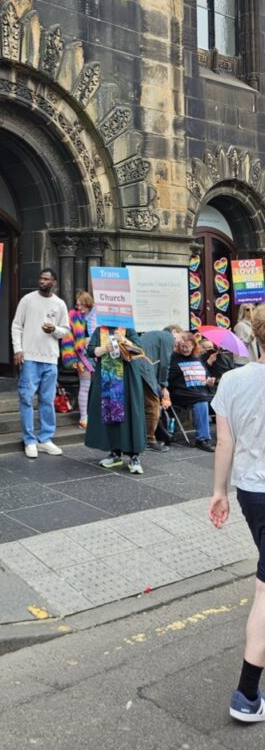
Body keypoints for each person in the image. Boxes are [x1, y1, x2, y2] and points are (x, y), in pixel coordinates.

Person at [209, 303, 265, 722]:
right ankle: (247, 695)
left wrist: (219, 492)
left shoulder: (231, 380)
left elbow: (224, 443)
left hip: (250, 490)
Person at [11, 268, 69, 458]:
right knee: (26, 398)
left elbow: (65, 330)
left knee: (47, 400)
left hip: (50, 358)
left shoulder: (59, 304)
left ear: (54, 282)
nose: (42, 281)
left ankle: (45, 438)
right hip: (29, 357)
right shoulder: (28, 300)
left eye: (46, 279)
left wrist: (54, 329)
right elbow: (17, 325)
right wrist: (18, 349)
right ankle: (29, 440)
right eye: (41, 278)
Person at [85, 325, 147, 473]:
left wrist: (124, 340)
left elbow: (139, 350)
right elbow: (90, 350)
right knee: (109, 412)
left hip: (127, 376)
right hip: (107, 376)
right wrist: (104, 348)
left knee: (129, 412)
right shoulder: (100, 330)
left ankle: (134, 456)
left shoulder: (128, 329)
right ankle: (115, 452)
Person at [168, 332, 215, 451]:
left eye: (187, 347)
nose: (184, 349)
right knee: (201, 401)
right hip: (181, 392)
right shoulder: (174, 358)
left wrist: (209, 381)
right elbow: (168, 377)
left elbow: (205, 375)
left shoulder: (197, 358)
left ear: (194, 346)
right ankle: (202, 439)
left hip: (199, 391)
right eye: (182, 346)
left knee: (218, 399)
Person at [136, 329, 177, 452]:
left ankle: (142, 438)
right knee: (153, 406)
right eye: (180, 337)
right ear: (174, 331)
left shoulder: (154, 336)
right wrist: (164, 386)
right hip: (144, 371)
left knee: (142, 406)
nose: (178, 342)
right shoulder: (167, 337)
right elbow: (165, 364)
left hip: (137, 369)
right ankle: (150, 440)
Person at [62, 290, 98, 430]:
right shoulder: (73, 315)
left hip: (99, 353)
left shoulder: (98, 314)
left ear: (88, 303)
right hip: (82, 355)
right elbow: (67, 339)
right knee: (85, 386)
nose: (79, 308)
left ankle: (96, 416)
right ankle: (83, 418)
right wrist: (72, 359)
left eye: (81, 304)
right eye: (77, 305)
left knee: (98, 387)